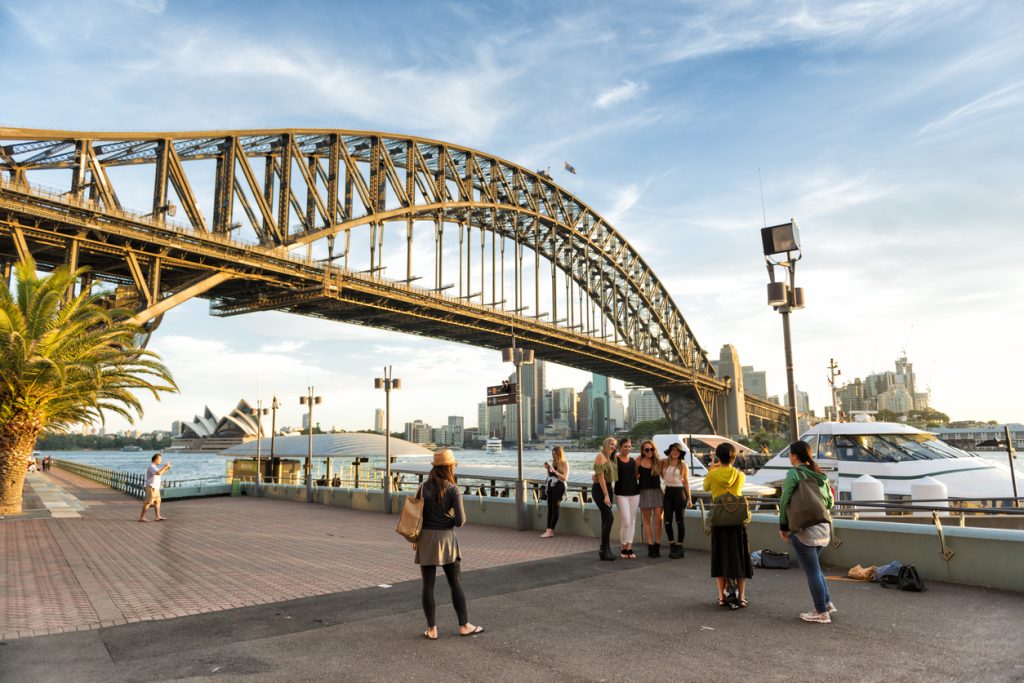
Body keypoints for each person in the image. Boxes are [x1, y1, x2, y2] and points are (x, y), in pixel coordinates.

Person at [414, 448, 483, 639]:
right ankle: (464, 625)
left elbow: (416, 516)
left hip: (425, 539)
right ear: (450, 467)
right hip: (446, 540)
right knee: (455, 584)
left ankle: (432, 629)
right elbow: (460, 521)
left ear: (434, 467)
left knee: (428, 586)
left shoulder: (421, 487)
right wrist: (447, 521)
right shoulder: (452, 489)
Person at [779, 440, 837, 624]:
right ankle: (826, 603)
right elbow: (829, 503)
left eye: (789, 453)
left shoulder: (794, 474)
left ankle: (821, 612)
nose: (789, 456)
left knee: (811, 571)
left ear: (795, 456)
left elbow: (784, 501)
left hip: (804, 530)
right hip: (824, 527)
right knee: (815, 568)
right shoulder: (821, 475)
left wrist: (783, 526)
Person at [703, 442, 753, 607]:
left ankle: (722, 597)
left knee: (720, 558)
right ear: (733, 457)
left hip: (719, 520)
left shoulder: (713, 475)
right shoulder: (740, 475)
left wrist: (712, 468)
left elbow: (706, 488)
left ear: (718, 456)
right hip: (737, 521)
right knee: (740, 558)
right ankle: (742, 597)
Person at [661, 442, 693, 559]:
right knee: (667, 521)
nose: (675, 452)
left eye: (677, 451)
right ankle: (672, 545)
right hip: (668, 493)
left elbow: (686, 482)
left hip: (679, 493)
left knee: (679, 521)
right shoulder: (664, 463)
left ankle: (680, 547)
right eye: (673, 450)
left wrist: (689, 498)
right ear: (670, 452)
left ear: (680, 453)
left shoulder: (683, 465)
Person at [592, 436, 618, 561]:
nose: (613, 446)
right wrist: (606, 495)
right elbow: (600, 477)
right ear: (606, 444)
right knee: (609, 518)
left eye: (615, 445)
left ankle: (605, 550)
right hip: (600, 490)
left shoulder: (610, 457)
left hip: (609, 488)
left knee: (605, 519)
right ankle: (603, 548)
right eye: (611, 444)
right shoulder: (600, 456)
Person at [614, 436, 640, 559]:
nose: (628, 448)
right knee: (626, 521)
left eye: (629, 446)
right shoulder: (615, 459)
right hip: (621, 494)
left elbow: (636, 475)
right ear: (620, 447)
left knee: (633, 522)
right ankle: (623, 546)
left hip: (635, 493)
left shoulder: (633, 460)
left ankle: (629, 548)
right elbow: (606, 471)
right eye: (625, 446)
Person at [636, 439, 664, 557]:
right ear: (642, 451)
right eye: (647, 449)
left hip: (657, 493)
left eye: (651, 449)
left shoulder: (658, 461)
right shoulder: (638, 460)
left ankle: (657, 545)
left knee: (658, 520)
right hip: (644, 492)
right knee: (647, 521)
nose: (649, 451)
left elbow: (666, 474)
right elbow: (634, 476)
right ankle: (650, 546)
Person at [540, 446, 569, 538]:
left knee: (555, 507)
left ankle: (551, 530)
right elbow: (550, 475)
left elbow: (565, 478)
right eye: (552, 454)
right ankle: (548, 529)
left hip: (559, 486)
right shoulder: (554, 462)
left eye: (555, 454)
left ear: (559, 454)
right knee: (550, 508)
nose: (553, 455)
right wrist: (548, 468)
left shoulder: (564, 463)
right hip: (551, 486)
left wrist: (555, 472)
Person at [139, 453, 171, 522]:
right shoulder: (151, 467)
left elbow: (160, 473)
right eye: (160, 459)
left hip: (156, 488)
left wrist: (166, 468)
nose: (161, 461)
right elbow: (158, 473)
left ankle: (158, 516)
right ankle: (142, 517)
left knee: (157, 502)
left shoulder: (155, 467)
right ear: (156, 459)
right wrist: (165, 466)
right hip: (151, 488)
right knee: (148, 502)